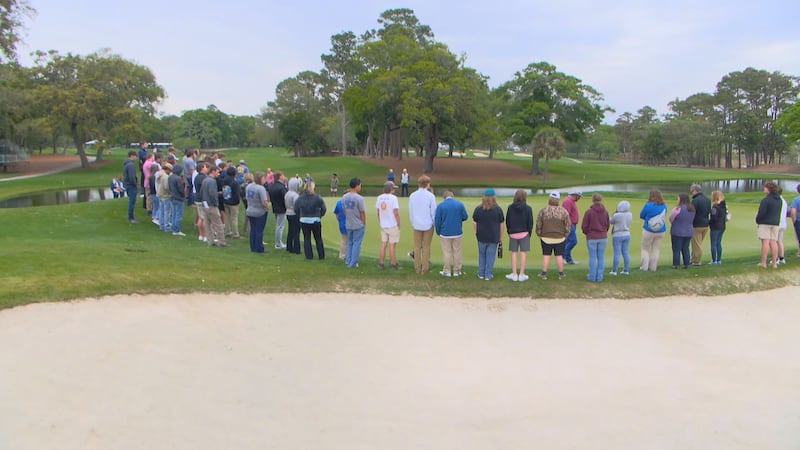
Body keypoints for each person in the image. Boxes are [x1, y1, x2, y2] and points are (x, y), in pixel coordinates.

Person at [535, 192, 571, 280]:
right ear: (558, 200)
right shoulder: (563, 211)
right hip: (560, 238)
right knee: (559, 255)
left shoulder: (543, 211)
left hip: (546, 237)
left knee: (546, 255)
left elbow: (538, 224)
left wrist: (539, 234)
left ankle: (543, 273)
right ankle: (561, 274)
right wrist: (565, 235)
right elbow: (568, 225)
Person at [473, 188, 504, 280]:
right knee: (490, 256)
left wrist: (477, 233)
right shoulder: (498, 210)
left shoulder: (478, 209)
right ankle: (488, 275)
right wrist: (500, 237)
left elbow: (474, 223)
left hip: (481, 236)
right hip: (493, 237)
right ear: (494, 197)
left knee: (482, 255)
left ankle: (481, 273)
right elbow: (501, 224)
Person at [435, 190, 468, 277]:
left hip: (445, 233)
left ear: (444, 197)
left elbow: (437, 221)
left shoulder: (441, 206)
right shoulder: (459, 204)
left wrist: (438, 231)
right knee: (457, 252)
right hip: (457, 232)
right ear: (452, 196)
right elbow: (465, 217)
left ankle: (447, 271)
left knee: (447, 252)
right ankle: (457, 271)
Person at [408, 175, 436, 274]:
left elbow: (411, 212)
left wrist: (413, 223)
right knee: (426, 246)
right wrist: (434, 223)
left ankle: (417, 268)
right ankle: (425, 268)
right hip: (428, 224)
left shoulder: (412, 195)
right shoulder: (430, 196)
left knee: (417, 246)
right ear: (427, 184)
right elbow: (433, 212)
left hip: (416, 224)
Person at [504, 189, 534, 282]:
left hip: (513, 233)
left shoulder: (510, 207)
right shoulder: (528, 208)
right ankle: (521, 274)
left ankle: (514, 274)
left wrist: (509, 231)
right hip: (524, 233)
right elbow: (530, 223)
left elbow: (507, 221)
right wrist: (529, 233)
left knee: (513, 253)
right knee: (523, 253)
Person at [294, 181, 327, 260]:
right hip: (315, 220)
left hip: (304, 220)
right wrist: (319, 215)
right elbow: (324, 209)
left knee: (307, 238)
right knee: (318, 238)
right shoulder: (317, 197)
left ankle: (309, 256)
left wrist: (300, 216)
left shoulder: (300, 198)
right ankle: (321, 256)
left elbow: (296, 209)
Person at [581, 193, 610, 282]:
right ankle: (599, 277)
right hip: (603, 237)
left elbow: (584, 226)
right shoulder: (605, 212)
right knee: (601, 257)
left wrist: (587, 233)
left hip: (592, 237)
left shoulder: (589, 212)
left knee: (592, 257)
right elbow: (607, 225)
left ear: (592, 200)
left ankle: (592, 276)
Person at [639, 189, 668, 271]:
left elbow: (641, 215)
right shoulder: (664, 206)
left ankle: (644, 267)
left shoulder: (648, 205)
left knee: (645, 248)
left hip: (648, 230)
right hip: (661, 230)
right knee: (656, 249)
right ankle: (653, 267)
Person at [376, 181, 401, 270]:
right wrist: (398, 223)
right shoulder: (393, 198)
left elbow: (378, 212)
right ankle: (393, 264)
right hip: (392, 224)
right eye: (393, 188)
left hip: (383, 225)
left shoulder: (379, 198)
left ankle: (381, 263)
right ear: (390, 189)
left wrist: (380, 222)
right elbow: (396, 212)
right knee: (392, 245)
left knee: (383, 244)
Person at [756, 181, 782, 268]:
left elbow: (761, 213)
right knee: (773, 242)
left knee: (765, 242)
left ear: (769, 189)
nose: (764, 189)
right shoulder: (779, 200)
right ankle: (774, 263)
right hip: (775, 223)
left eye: (765, 187)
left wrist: (758, 220)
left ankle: (763, 263)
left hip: (765, 223)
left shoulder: (766, 200)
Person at [343, 178, 366, 268]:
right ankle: (353, 263)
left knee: (350, 243)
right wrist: (364, 222)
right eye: (360, 185)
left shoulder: (345, 197)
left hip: (349, 223)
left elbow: (344, 209)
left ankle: (348, 261)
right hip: (358, 224)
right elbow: (362, 212)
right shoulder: (359, 198)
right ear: (356, 186)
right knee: (356, 244)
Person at [201, 166, 226, 247]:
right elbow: (212, 194)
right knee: (218, 224)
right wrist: (216, 203)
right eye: (217, 172)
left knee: (207, 224)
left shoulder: (205, 180)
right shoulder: (212, 181)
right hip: (212, 205)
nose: (218, 174)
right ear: (213, 171)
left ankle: (210, 241)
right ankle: (221, 242)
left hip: (205, 204)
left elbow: (202, 192)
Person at [669, 193, 696, 269]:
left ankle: (676, 264)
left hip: (677, 231)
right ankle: (686, 264)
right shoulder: (692, 208)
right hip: (688, 231)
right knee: (685, 248)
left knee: (676, 249)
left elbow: (671, 218)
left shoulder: (677, 209)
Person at [245, 172, 269, 253]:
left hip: (250, 209)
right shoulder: (261, 188)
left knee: (253, 230)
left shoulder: (249, 186)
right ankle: (259, 248)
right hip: (259, 211)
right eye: (263, 178)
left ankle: (253, 247)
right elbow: (264, 201)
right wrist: (267, 208)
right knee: (259, 230)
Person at [690, 183, 711, 265]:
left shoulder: (695, 201)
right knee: (697, 244)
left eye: (692, 191)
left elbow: (692, 213)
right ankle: (693, 259)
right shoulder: (707, 199)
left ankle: (697, 261)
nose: (691, 193)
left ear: (695, 190)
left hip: (697, 225)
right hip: (705, 224)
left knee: (696, 244)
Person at [609, 200, 632, 275]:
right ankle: (626, 270)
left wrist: (614, 213)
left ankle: (614, 271)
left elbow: (611, 221)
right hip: (627, 234)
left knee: (616, 253)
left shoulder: (617, 215)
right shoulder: (629, 214)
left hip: (617, 235)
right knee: (625, 252)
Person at [268, 171, 288, 249]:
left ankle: (278, 242)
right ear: (280, 177)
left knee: (278, 225)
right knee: (280, 226)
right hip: (282, 208)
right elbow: (286, 198)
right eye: (283, 175)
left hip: (275, 207)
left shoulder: (272, 186)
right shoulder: (281, 187)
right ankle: (278, 243)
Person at [562, 190, 582, 264]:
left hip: (572, 224)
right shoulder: (567, 201)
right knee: (573, 241)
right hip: (569, 225)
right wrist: (568, 225)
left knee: (568, 241)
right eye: (579, 196)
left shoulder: (571, 201)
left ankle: (568, 259)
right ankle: (563, 256)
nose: (579, 198)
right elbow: (566, 215)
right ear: (575, 195)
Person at [708, 190, 728, 265]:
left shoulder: (715, 207)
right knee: (718, 243)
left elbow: (714, 218)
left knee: (713, 243)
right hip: (722, 226)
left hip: (715, 227)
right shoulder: (724, 206)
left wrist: (709, 222)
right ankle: (718, 260)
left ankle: (714, 260)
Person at [221, 166, 241, 239]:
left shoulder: (223, 180)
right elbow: (236, 194)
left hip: (226, 200)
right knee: (234, 218)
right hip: (233, 202)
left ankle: (227, 232)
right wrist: (237, 201)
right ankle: (235, 234)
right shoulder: (235, 182)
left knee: (226, 217)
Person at [284, 176, 302, 254]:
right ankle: (296, 249)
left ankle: (289, 247)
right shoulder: (295, 195)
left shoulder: (287, 193)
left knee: (290, 231)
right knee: (296, 232)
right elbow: (297, 206)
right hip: (294, 214)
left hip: (288, 213)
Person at [168, 164, 186, 236]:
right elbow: (181, 189)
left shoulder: (170, 177)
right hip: (178, 198)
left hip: (172, 197)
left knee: (174, 214)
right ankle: (176, 230)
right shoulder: (178, 179)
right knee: (178, 214)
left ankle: (174, 228)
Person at [122, 151, 139, 223]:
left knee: (131, 201)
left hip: (127, 185)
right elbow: (132, 177)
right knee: (132, 202)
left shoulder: (126, 164)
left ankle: (131, 217)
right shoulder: (130, 165)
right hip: (131, 186)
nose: (136, 158)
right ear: (132, 156)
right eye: (135, 156)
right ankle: (131, 218)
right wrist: (135, 184)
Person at [775, 187, 788, 265]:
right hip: (783, 224)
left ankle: (776, 259)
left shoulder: (777, 201)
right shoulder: (784, 201)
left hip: (777, 223)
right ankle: (782, 258)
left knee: (774, 242)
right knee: (779, 241)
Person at [333, 195, 348, 260]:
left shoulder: (339, 202)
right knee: (350, 241)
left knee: (343, 241)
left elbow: (336, 214)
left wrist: (339, 220)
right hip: (351, 224)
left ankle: (342, 256)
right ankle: (349, 256)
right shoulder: (351, 203)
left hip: (342, 224)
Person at [791, 185, 800, 258]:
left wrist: (794, 221)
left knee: (799, 237)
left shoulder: (796, 200)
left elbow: (793, 212)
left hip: (798, 221)